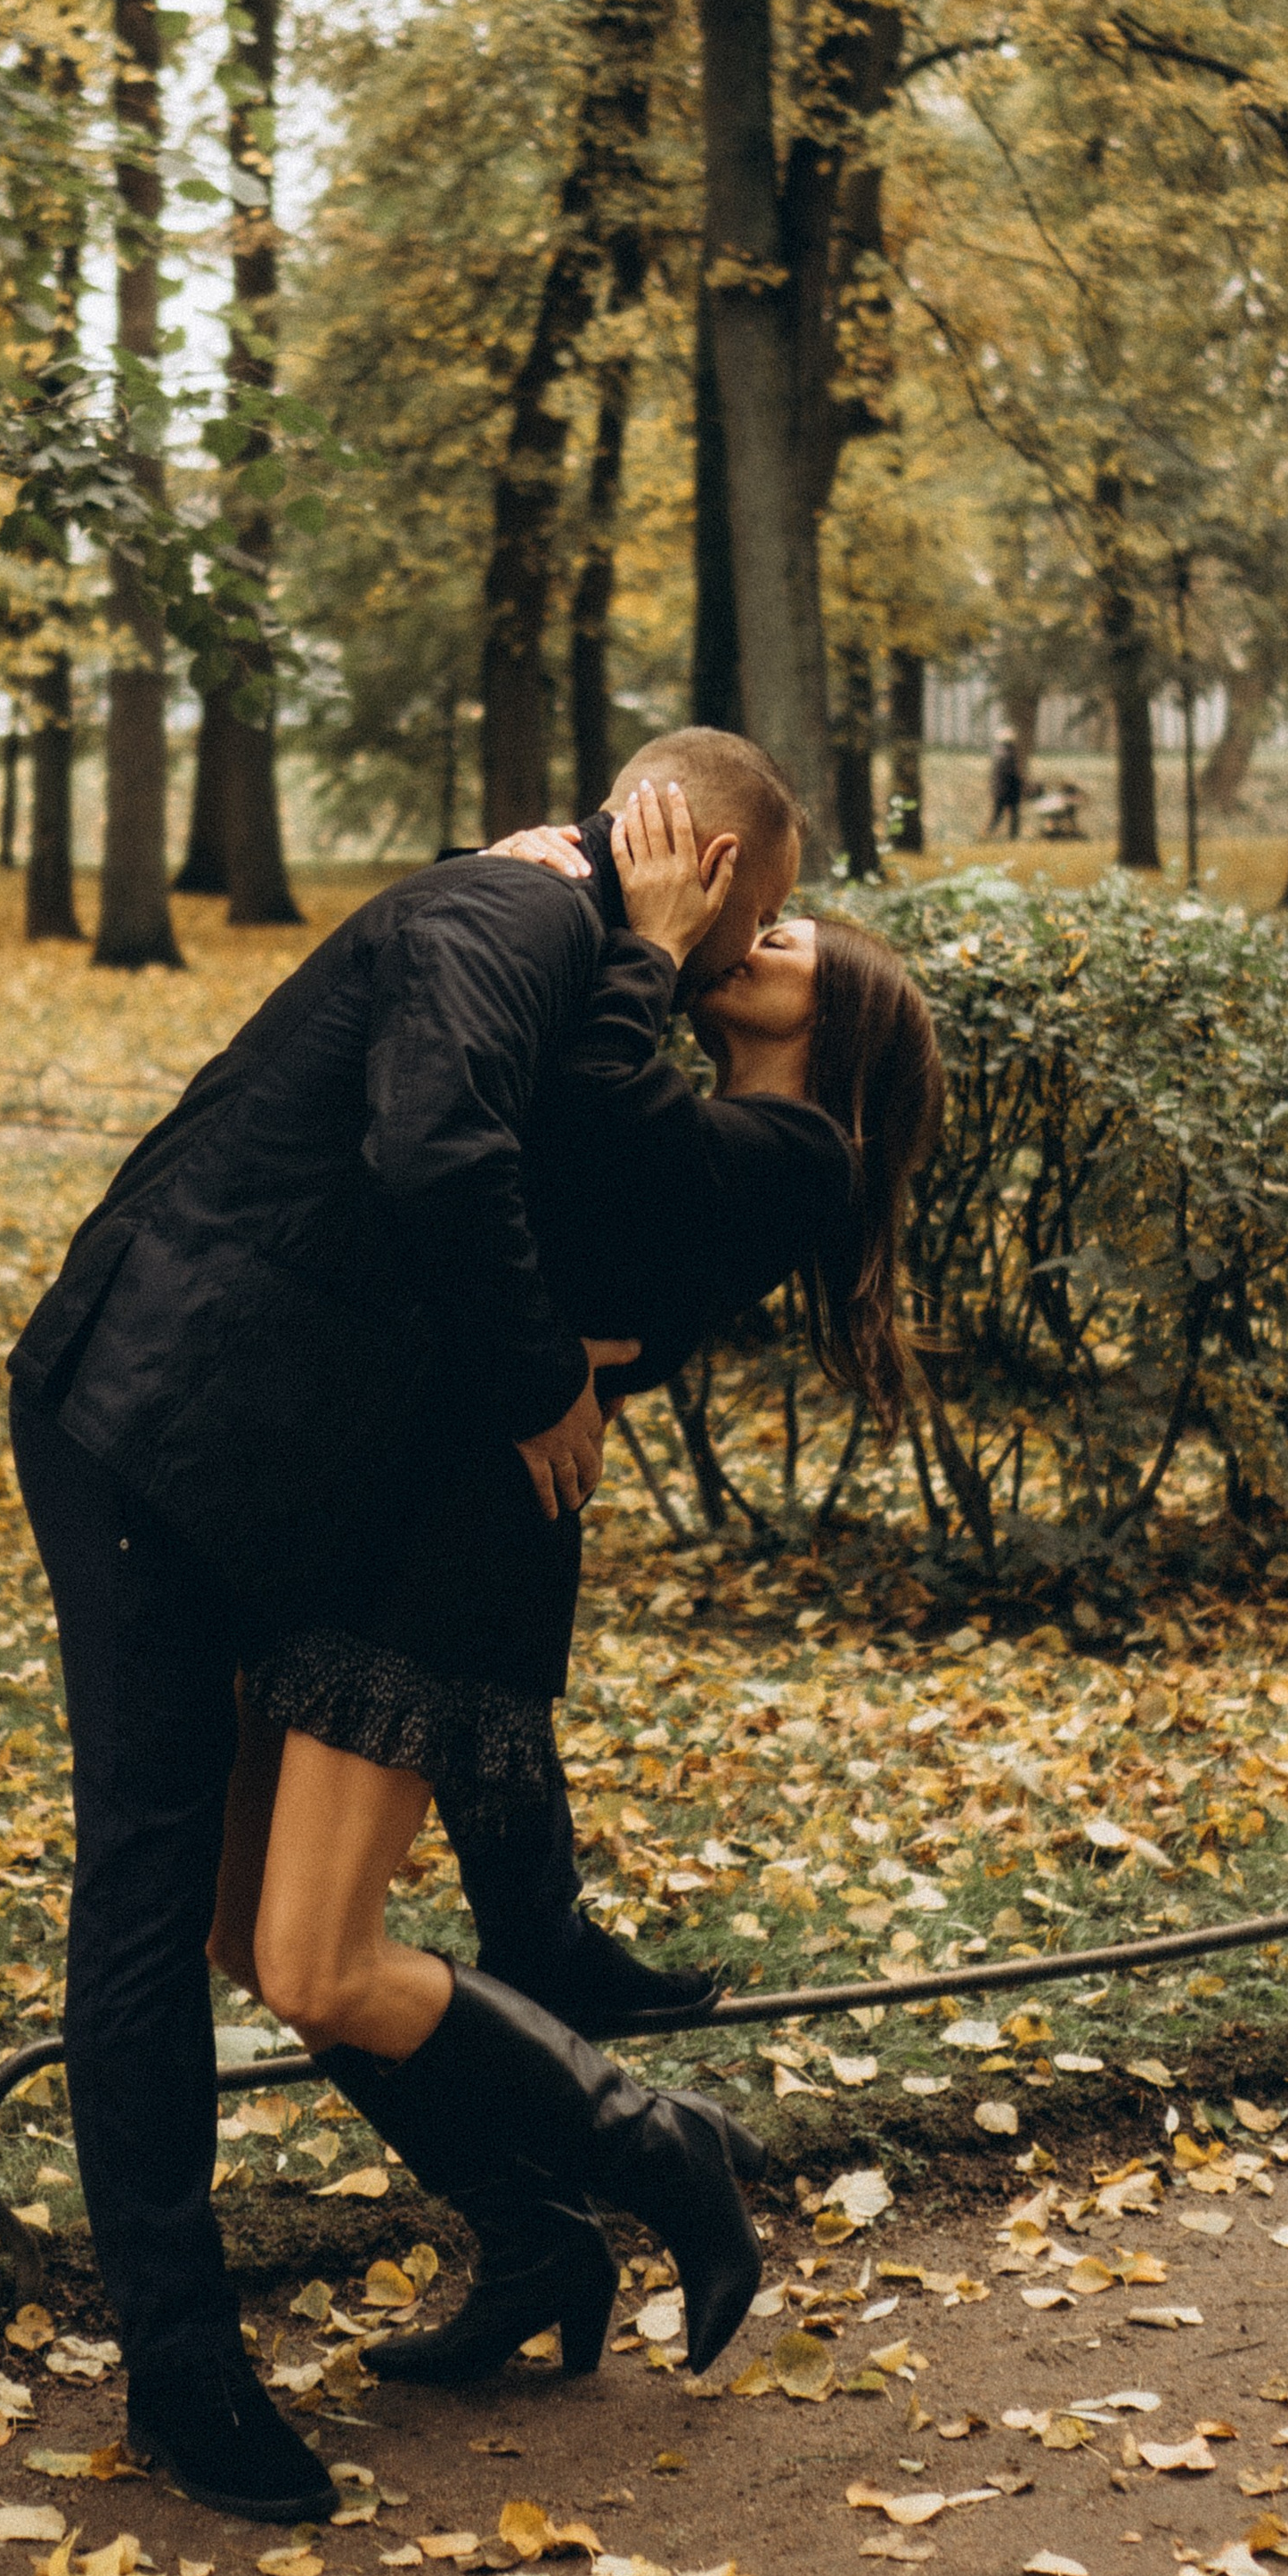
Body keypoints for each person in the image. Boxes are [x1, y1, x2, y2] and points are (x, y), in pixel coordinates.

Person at [6, 729, 800, 2522]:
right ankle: (183, 2373)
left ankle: (539, 2226)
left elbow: (568, 1186)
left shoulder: (566, 949)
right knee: (150, 1899)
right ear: (717, 869)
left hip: (279, 1467)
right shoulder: (509, 917)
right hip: (152, 1424)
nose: (746, 962)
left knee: (256, 1925)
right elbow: (435, 1147)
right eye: (760, 921)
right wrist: (540, 1384)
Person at [207, 784, 944, 2397]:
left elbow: (597, 1118)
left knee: (318, 1959)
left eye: (797, 939)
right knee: (251, 1935)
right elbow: (505, 1109)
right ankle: (531, 2233)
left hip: (455, 1549)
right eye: (761, 918)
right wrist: (522, 878)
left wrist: (649, 946)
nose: (763, 934)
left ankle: (657, 2146)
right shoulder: (707, 1117)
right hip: (393, 1498)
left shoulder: (798, 1153)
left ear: (846, 1024)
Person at [987, 728, 1024, 838]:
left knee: (998, 815)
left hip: (999, 789)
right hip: (1008, 790)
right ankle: (1012, 837)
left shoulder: (998, 752)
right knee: (1012, 814)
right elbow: (1011, 773)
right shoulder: (1009, 754)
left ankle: (987, 834)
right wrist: (1021, 785)